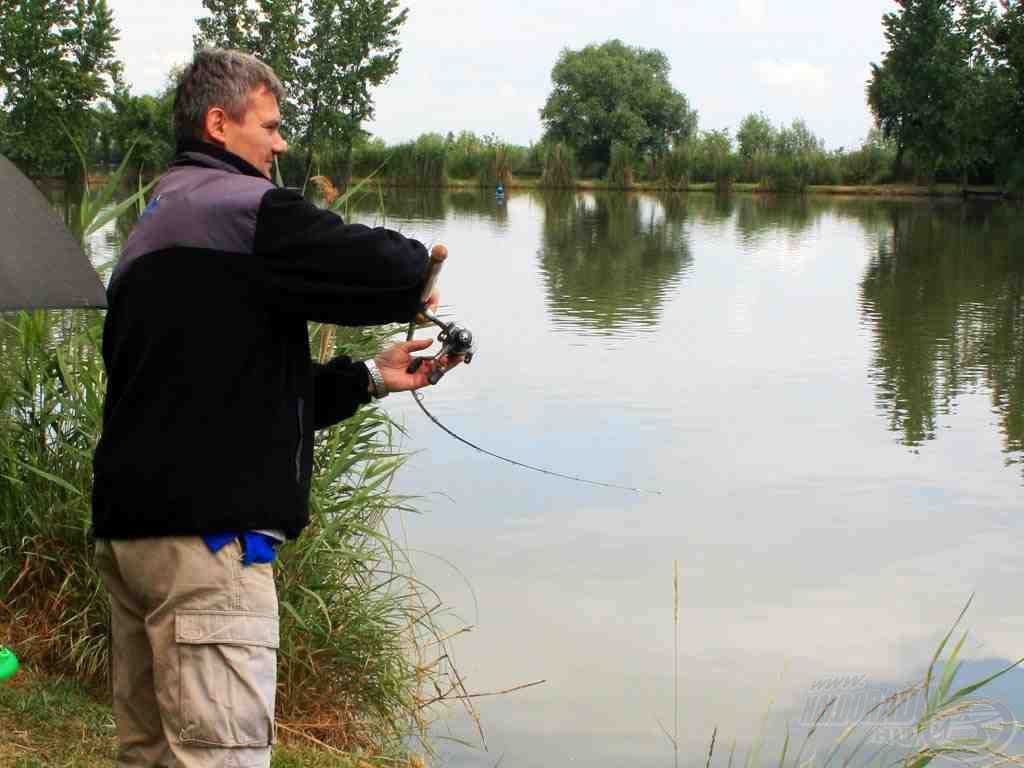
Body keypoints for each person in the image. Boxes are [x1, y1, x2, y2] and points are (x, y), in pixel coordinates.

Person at [92, 48, 453, 767]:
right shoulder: (241, 210)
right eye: (272, 126)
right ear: (219, 124)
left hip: (134, 538)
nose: (282, 144)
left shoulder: (156, 222)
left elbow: (227, 395)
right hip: (208, 547)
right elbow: (377, 260)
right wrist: (420, 277)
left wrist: (372, 378)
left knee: (153, 758)